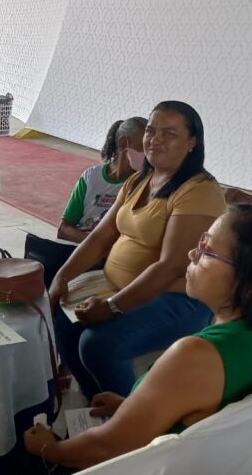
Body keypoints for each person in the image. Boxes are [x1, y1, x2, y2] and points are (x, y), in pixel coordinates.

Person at [26, 205, 252, 473]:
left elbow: (105, 449)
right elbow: (209, 408)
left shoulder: (196, 356)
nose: (192, 254)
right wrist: (134, 406)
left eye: (207, 250)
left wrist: (48, 447)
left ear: (250, 286)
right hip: (224, 472)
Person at [49, 101, 226, 399]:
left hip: (177, 298)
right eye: (151, 131)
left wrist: (112, 307)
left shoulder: (199, 190)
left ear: (192, 142)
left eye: (169, 133)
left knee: (98, 343)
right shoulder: (139, 179)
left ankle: (128, 418)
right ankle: (99, 404)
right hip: (115, 284)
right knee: (63, 320)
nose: (155, 139)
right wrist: (62, 277)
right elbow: (101, 236)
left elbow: (170, 265)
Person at [59, 117, 146, 243]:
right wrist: (96, 245)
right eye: (143, 147)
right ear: (123, 144)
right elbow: (64, 229)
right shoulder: (91, 176)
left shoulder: (145, 183)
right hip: (81, 248)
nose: (149, 154)